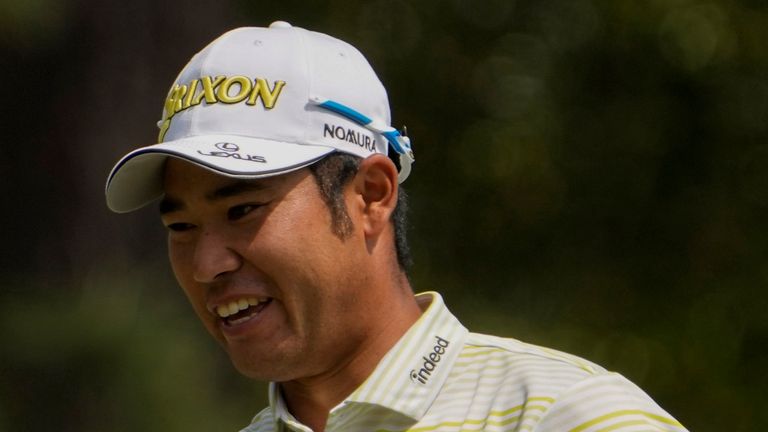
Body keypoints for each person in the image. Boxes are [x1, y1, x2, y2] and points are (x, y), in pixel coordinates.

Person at [105, 21, 688, 432]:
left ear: (372, 195)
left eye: (242, 210)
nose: (208, 264)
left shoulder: (566, 416)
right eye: (180, 226)